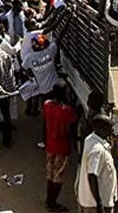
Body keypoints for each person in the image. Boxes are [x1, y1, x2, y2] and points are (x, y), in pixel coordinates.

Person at [42, 84, 77, 212]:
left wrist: (45, 142)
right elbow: (72, 129)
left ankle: (48, 200)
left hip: (50, 145)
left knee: (50, 173)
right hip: (62, 147)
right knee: (58, 175)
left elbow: (44, 124)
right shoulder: (67, 110)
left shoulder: (47, 105)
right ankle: (52, 203)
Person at [76, 115, 117, 213]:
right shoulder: (97, 150)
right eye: (110, 128)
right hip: (96, 204)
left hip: (94, 201)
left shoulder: (91, 139)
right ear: (101, 129)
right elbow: (92, 175)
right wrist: (100, 204)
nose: (113, 130)